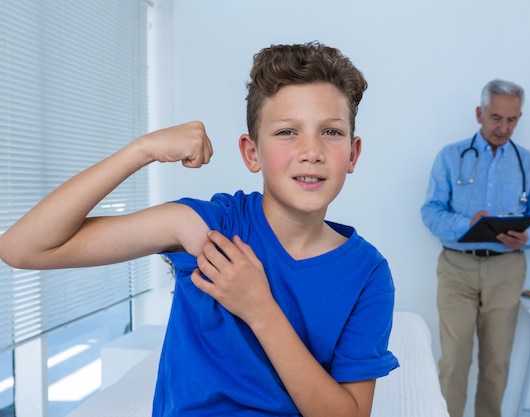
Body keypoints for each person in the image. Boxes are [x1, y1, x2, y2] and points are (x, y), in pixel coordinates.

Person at [0, 41, 399, 417]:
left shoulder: (368, 274)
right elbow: (24, 248)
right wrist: (141, 150)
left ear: (353, 153)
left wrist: (260, 309)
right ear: (251, 152)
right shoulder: (210, 228)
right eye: (286, 132)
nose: (311, 152)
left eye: (331, 132)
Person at [420, 79, 530, 417]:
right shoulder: (450, 157)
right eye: (495, 118)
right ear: (479, 114)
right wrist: (468, 223)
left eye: (511, 120)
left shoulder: (529, 164)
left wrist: (527, 237)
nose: (503, 127)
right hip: (457, 269)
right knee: (454, 361)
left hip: (506, 270)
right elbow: (430, 212)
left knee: (497, 364)